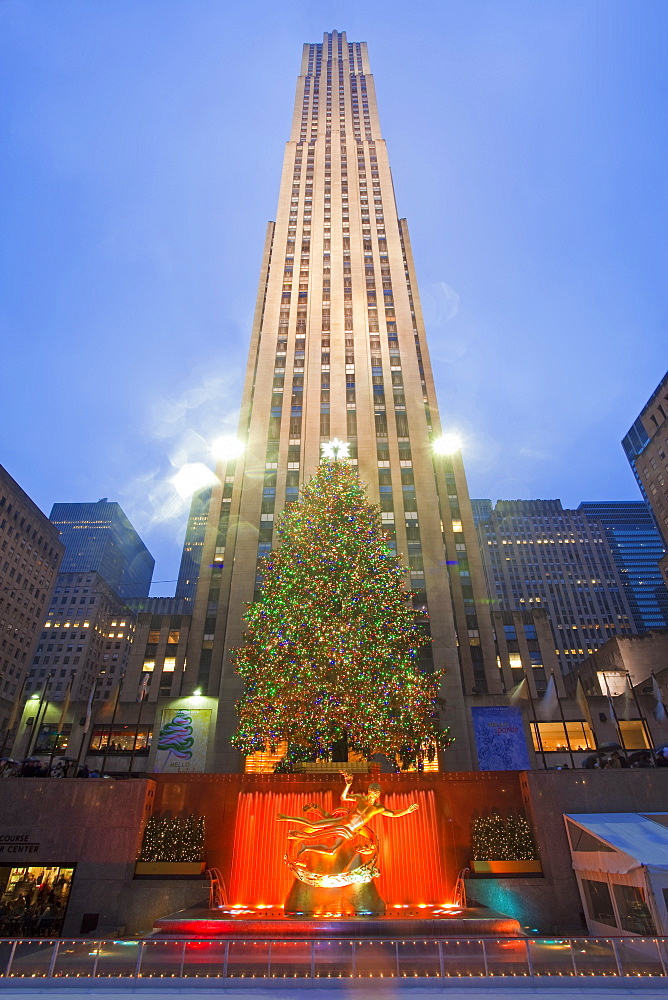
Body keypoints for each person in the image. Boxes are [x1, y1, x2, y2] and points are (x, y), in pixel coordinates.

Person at [277, 770, 418, 863]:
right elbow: (343, 797)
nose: (372, 796)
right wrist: (348, 785)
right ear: (368, 792)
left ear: (378, 795)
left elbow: (392, 814)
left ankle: (305, 848)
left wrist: (407, 811)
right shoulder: (360, 798)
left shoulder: (377, 808)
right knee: (314, 825)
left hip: (349, 831)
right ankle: (286, 817)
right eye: (371, 793)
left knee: (332, 851)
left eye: (375, 794)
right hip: (342, 820)